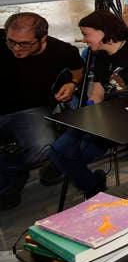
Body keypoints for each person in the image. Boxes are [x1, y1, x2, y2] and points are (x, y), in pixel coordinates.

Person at [50, 11, 128, 198]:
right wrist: (86, 116)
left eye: (86, 34)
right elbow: (97, 93)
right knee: (60, 151)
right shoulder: (100, 57)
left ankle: (92, 190)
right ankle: (93, 190)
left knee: (68, 155)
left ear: (103, 32)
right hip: (107, 119)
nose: (84, 40)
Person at [0, 13, 84, 210]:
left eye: (25, 44)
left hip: (30, 109)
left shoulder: (62, 50)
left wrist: (72, 85)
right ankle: (8, 183)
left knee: (44, 147)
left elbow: (77, 71)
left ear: (42, 38)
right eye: (11, 42)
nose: (16, 49)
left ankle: (11, 173)